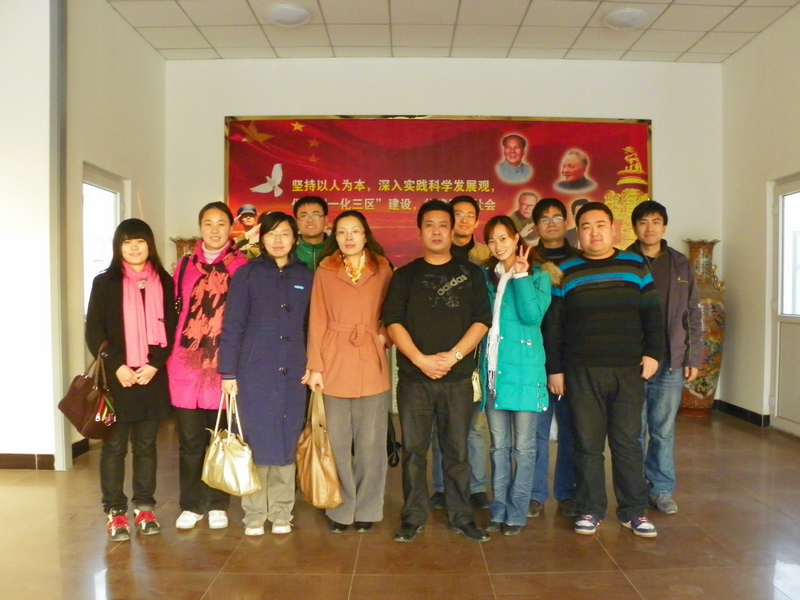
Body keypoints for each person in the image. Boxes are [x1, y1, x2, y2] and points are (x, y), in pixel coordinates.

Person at [544, 201, 664, 538]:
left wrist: (653, 354)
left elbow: (653, 314)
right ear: (578, 234)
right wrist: (555, 369)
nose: (594, 232)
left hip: (628, 370)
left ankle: (633, 511)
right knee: (587, 444)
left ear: (613, 229)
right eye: (586, 226)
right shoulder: (565, 270)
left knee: (628, 443)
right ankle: (591, 509)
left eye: (600, 225)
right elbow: (554, 325)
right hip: (581, 371)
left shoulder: (635, 265)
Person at [382, 199, 493, 543]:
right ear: (419, 231)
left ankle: (461, 515)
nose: (436, 231)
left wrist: (453, 357)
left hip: (457, 379)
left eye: (443, 225)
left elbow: (482, 320)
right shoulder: (405, 275)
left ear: (452, 229)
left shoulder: (471, 274)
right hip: (414, 380)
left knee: (457, 452)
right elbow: (393, 321)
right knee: (414, 452)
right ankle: (413, 516)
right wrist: (420, 359)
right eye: (429, 225)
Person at [219, 212, 313, 536]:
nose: (278, 240)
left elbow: (313, 326)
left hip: (294, 370)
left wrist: (313, 363)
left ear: (294, 238)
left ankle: (282, 512)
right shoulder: (247, 275)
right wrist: (228, 372)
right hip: (254, 370)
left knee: (287, 439)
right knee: (256, 441)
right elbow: (233, 325)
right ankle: (255, 514)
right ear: (261, 239)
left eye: (284, 233)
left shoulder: (306, 276)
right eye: (271, 234)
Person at [85, 218, 177, 542]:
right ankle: (115, 511)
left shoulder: (164, 281)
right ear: (118, 247)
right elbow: (94, 331)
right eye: (127, 242)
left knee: (146, 446)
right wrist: (117, 366)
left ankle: (145, 507)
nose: (135, 247)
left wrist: (155, 364)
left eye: (140, 241)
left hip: (151, 376)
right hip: (118, 378)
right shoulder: (104, 283)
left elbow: (172, 327)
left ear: (149, 244)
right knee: (113, 448)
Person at [304, 210, 393, 533]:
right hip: (334, 359)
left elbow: (393, 312)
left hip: (371, 356)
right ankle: (341, 508)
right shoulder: (326, 270)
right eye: (342, 232)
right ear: (335, 236)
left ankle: (368, 507)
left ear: (365, 234)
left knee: (371, 443)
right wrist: (315, 366)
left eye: (355, 231)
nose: (349, 237)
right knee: (337, 442)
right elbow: (316, 319)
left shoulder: (382, 268)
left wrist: (383, 336)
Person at [167, 202, 248, 531]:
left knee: (221, 437)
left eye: (221, 223)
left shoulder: (242, 266)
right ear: (200, 228)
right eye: (208, 223)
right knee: (189, 441)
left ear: (231, 228)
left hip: (223, 363)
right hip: (185, 363)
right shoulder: (185, 265)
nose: (215, 230)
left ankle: (217, 503)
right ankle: (191, 504)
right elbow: (173, 310)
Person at [479, 216, 557, 535]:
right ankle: (498, 509)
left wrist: (522, 276)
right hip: (495, 373)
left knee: (524, 449)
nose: (498, 245)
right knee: (498, 448)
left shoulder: (539, 276)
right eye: (492, 240)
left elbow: (532, 316)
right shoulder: (487, 277)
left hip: (526, 373)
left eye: (503, 238)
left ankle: (517, 511)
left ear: (516, 238)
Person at [628, 200, 702, 515]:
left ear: (664, 226)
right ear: (634, 227)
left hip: (671, 360)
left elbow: (692, 313)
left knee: (663, 430)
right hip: (633, 362)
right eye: (643, 222)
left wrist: (693, 357)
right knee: (633, 431)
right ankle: (633, 490)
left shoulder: (680, 263)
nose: (649, 228)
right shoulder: (624, 261)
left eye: (655, 221)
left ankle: (660, 489)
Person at [429, 196, 491, 511]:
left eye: (470, 215)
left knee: (474, 427)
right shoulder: (436, 253)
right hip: (438, 354)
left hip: (475, 352)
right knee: (441, 426)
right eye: (458, 214)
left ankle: (477, 487)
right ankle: (442, 487)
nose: (464, 220)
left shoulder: (487, 258)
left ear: (477, 221)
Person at [528, 198, 581, 519]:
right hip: (535, 356)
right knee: (535, 431)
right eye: (544, 219)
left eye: (557, 217)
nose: (551, 223)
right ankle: (534, 494)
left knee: (571, 430)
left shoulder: (580, 260)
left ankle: (567, 494)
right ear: (535, 226)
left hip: (572, 356)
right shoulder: (527, 259)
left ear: (566, 223)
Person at [293, 195, 329, 271]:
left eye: (315, 215)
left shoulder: (338, 250)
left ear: (326, 220)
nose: (310, 220)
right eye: (303, 216)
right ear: (297, 222)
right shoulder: (288, 251)